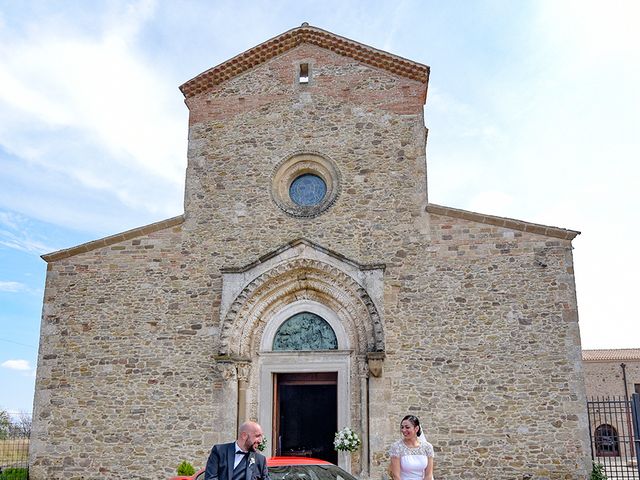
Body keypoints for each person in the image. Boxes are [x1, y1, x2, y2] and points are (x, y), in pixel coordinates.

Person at [205, 421, 270, 480]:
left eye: (261, 436)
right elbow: (211, 478)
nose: (260, 441)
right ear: (244, 435)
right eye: (257, 436)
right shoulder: (219, 451)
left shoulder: (260, 460)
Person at [389, 415, 434, 480]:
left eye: (407, 427)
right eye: (402, 427)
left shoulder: (427, 447)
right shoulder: (397, 447)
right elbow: (396, 476)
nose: (403, 430)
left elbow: (429, 475)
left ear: (416, 429)